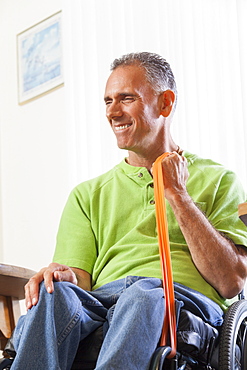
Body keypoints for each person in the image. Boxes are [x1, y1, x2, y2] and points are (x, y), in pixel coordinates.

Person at [11, 52, 247, 369]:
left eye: (126, 98)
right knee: (53, 298)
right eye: (108, 101)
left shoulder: (219, 180)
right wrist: (65, 276)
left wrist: (177, 193)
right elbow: (80, 281)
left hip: (177, 298)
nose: (113, 111)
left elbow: (231, 281)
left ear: (165, 103)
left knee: (143, 295)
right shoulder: (87, 195)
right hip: (104, 300)